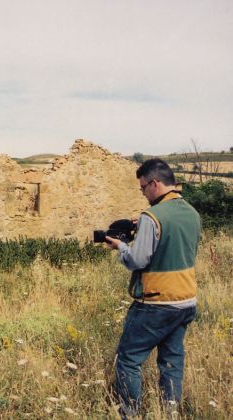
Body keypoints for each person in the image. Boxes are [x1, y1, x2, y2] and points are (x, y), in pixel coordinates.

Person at [105, 158, 201, 418]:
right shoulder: (192, 213)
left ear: (155, 183)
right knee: (172, 361)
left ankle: (130, 414)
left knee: (128, 359)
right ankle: (169, 413)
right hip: (186, 300)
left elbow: (137, 260)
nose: (143, 194)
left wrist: (121, 247)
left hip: (156, 303)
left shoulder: (152, 216)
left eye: (143, 188)